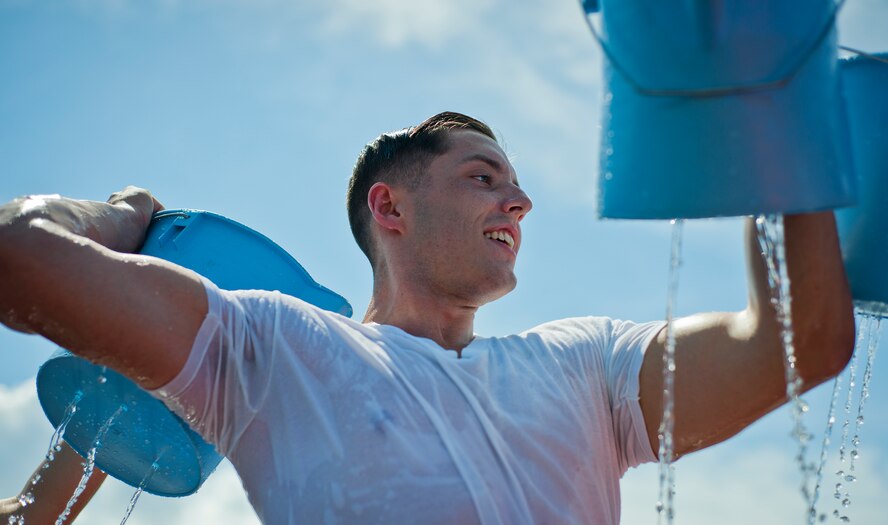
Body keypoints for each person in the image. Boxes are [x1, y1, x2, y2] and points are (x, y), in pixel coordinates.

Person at [0, 112, 855, 524]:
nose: (519, 200)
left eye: (514, 186)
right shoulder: (276, 346)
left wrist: (780, 114)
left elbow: (802, 341)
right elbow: (17, 253)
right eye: (484, 176)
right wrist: (124, 213)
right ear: (391, 207)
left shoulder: (585, 365)